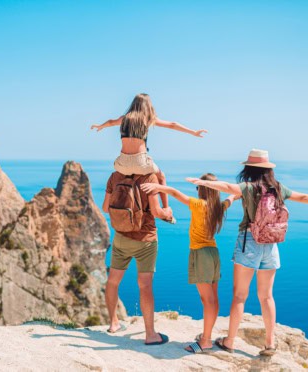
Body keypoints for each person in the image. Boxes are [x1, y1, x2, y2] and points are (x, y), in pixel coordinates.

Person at [186, 149, 308, 356]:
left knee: (240, 296)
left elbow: (227, 187)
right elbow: (301, 196)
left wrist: (203, 183)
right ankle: (269, 344)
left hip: (249, 242)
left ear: (249, 168)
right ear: (268, 169)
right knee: (267, 296)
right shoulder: (278, 188)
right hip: (271, 244)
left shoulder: (249, 187)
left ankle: (229, 341)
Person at [140, 174, 239, 353]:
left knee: (206, 299)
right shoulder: (219, 207)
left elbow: (177, 194)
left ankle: (206, 341)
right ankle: (206, 335)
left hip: (200, 254)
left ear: (201, 190)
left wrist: (159, 188)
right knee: (213, 299)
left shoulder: (200, 205)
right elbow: (230, 199)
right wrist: (235, 194)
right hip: (214, 253)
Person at [92, 93, 207, 221]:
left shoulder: (124, 118)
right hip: (141, 163)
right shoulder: (147, 119)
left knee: (126, 172)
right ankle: (166, 209)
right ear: (147, 106)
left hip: (121, 163)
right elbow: (172, 124)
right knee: (161, 176)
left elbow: (110, 122)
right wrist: (193, 132)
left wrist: (100, 126)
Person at [102, 170, 173, 345]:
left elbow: (105, 208)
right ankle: (150, 334)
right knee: (145, 285)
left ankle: (113, 324)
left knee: (112, 281)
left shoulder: (115, 176)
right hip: (145, 239)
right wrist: (168, 212)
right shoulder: (149, 177)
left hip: (121, 237)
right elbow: (156, 212)